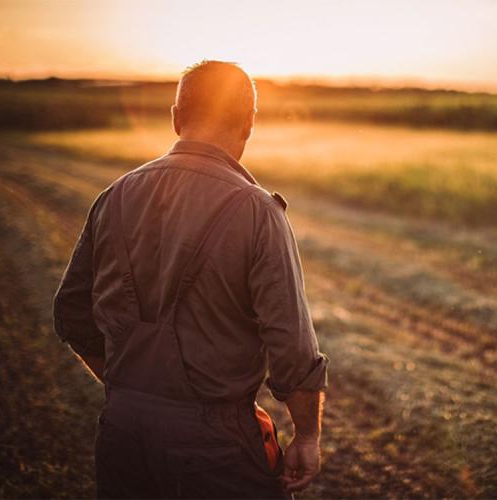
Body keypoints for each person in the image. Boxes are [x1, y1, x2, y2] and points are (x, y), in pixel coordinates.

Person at [52, 60, 329, 499]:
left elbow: (70, 311)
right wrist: (308, 439)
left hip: (122, 430)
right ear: (249, 124)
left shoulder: (114, 196)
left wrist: (134, 389)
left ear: (176, 118)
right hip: (216, 448)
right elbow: (292, 349)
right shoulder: (257, 212)